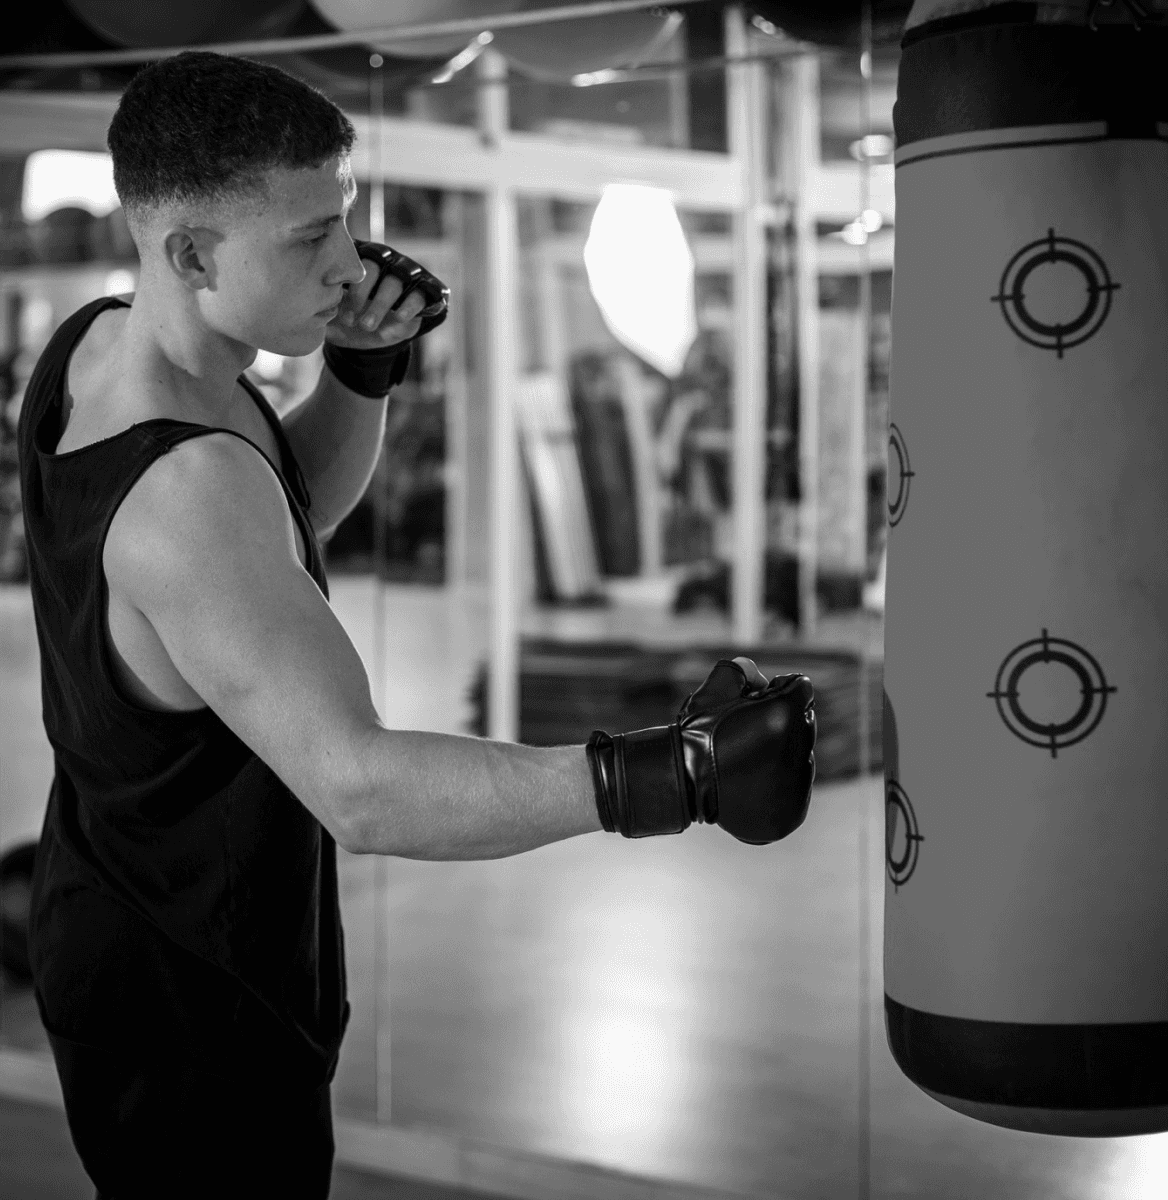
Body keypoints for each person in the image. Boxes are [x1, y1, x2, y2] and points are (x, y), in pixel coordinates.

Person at [17, 51, 818, 1200]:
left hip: (132, 920)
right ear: (189, 252)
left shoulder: (103, 348)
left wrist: (360, 372)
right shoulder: (186, 497)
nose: (346, 268)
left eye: (342, 223)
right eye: (307, 241)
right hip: (192, 997)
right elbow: (362, 787)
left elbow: (278, 523)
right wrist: (672, 775)